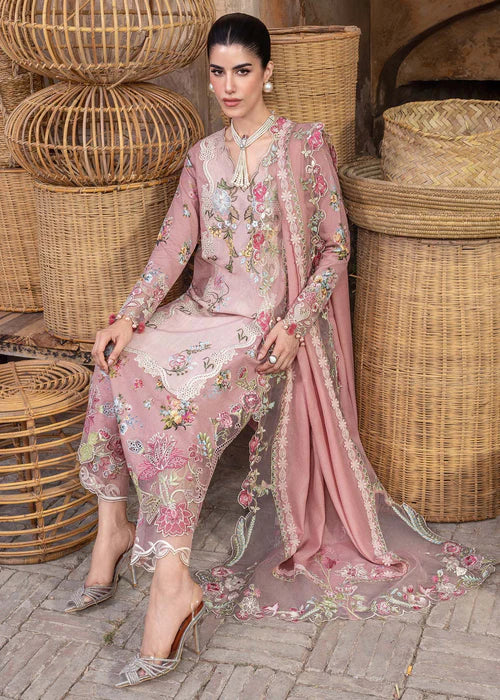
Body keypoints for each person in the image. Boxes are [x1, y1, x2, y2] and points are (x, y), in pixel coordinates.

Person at [66, 12, 496, 688]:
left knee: (178, 409)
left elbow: (334, 247)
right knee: (116, 360)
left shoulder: (303, 145)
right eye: (217, 72)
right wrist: (128, 316)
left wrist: (295, 324)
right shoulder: (202, 157)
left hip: (260, 324)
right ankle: (112, 529)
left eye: (242, 70)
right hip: (201, 314)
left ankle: (171, 582)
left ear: (267, 73)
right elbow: (173, 247)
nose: (228, 85)